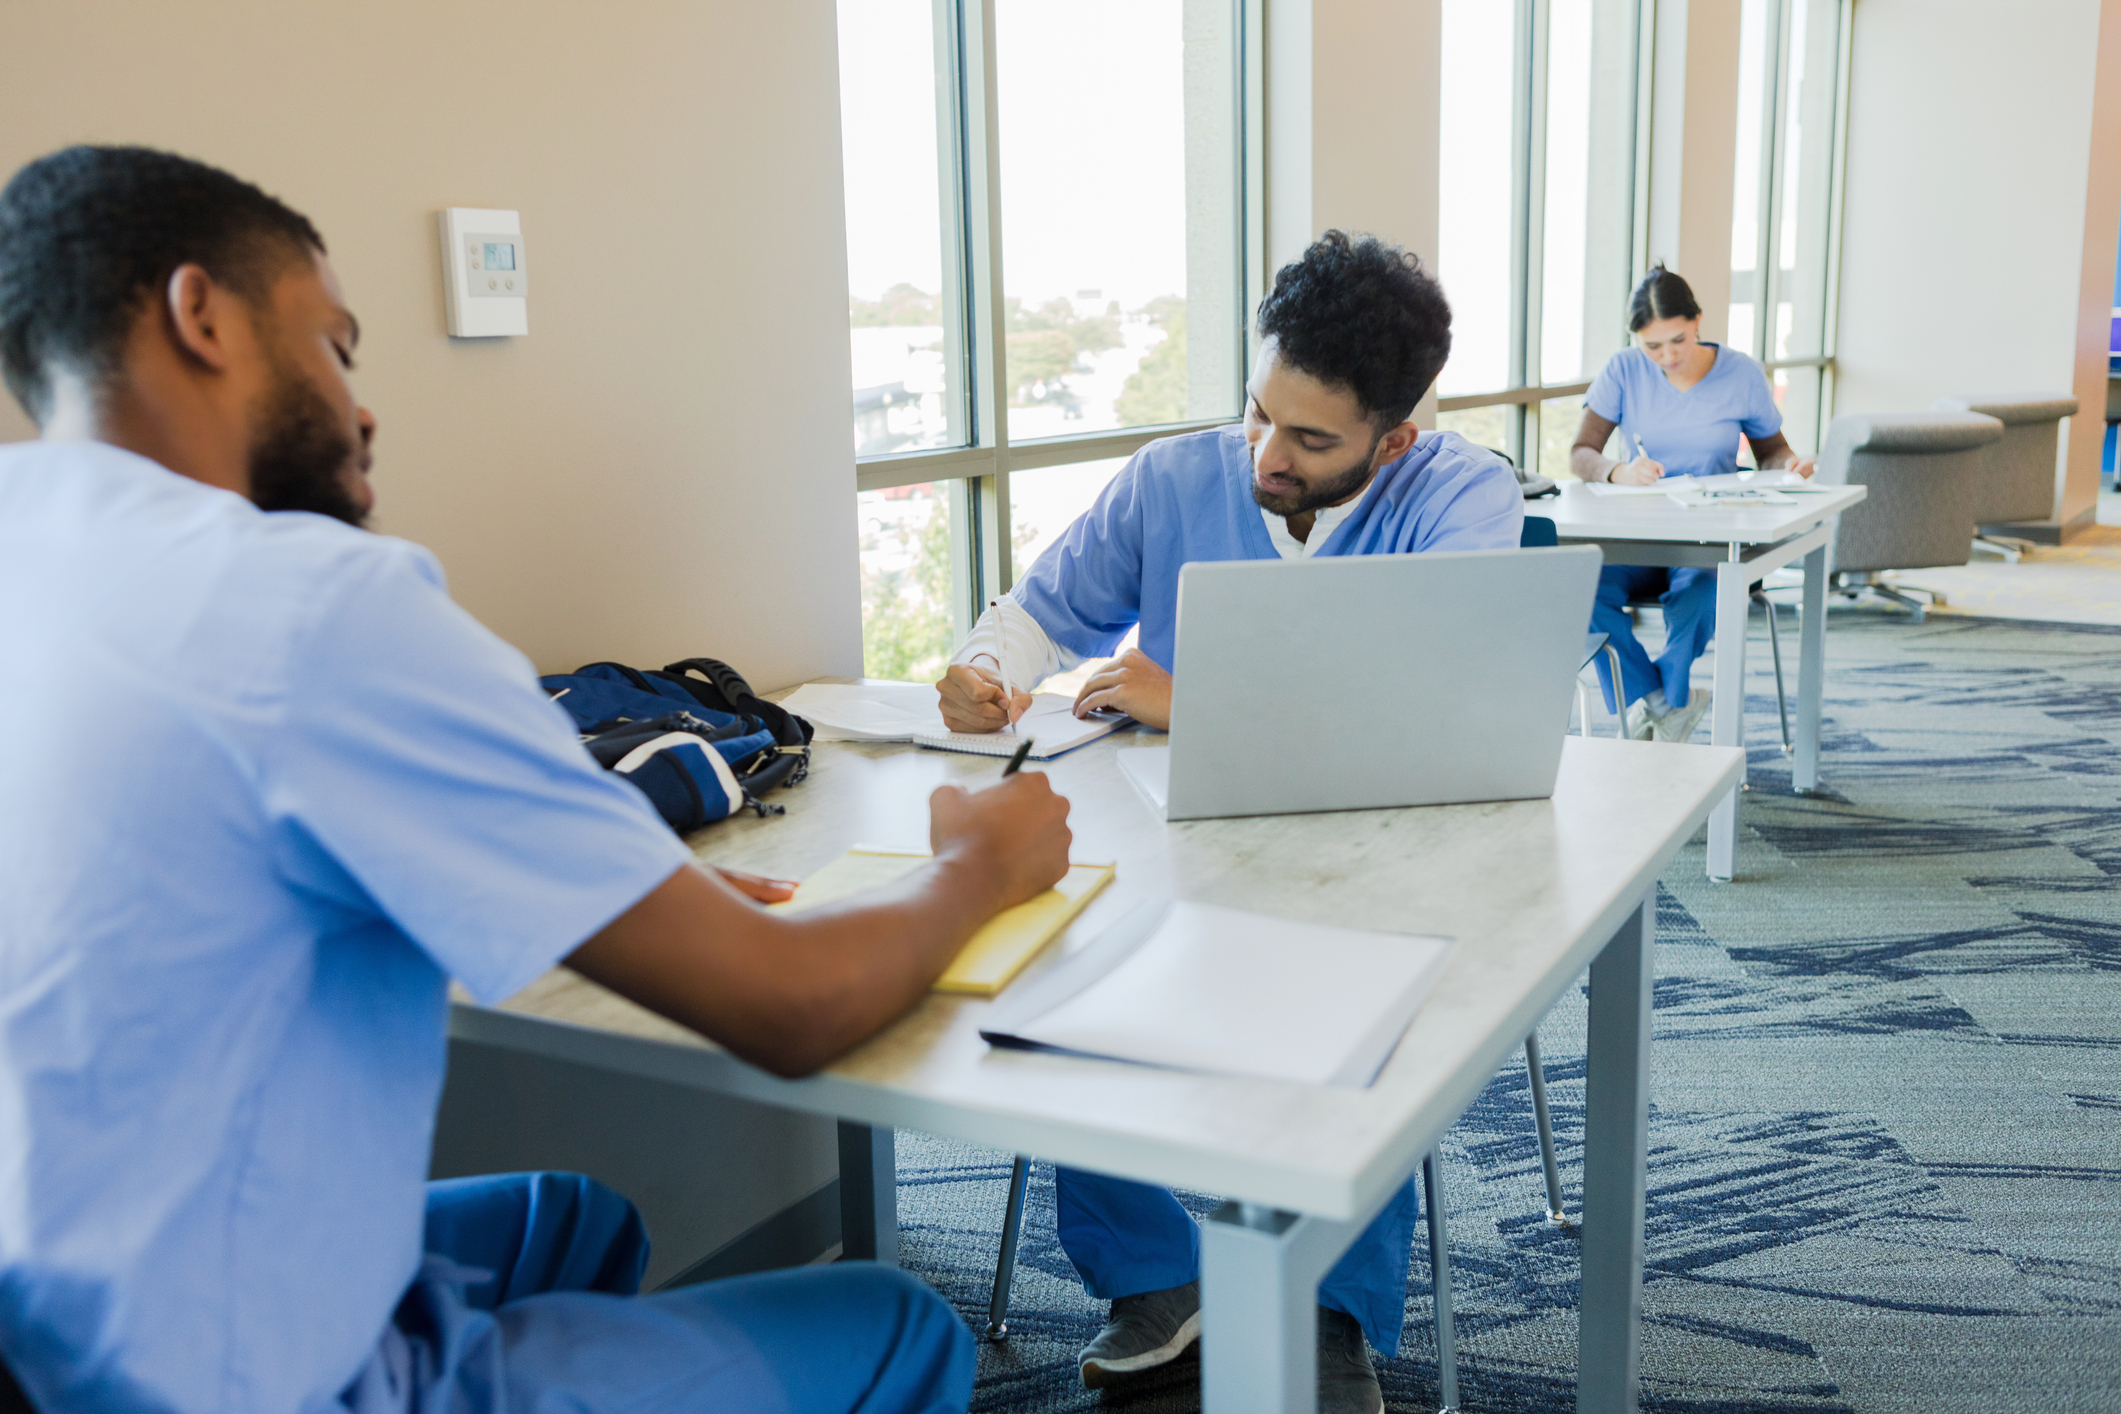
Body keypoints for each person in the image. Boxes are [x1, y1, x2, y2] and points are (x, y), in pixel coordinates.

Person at [0, 145, 1077, 1414]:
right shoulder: (311, 605)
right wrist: (978, 864)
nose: (363, 407)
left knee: (569, 1221)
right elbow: (788, 1009)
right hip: (235, 1384)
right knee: (896, 1324)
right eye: (336, 346)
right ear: (203, 315)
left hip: (52, 1325)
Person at [933, 231, 1524, 1414]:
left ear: (1392, 438)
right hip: (1176, 847)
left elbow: (1435, 702)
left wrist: (1184, 695)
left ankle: (1325, 1304)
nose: (1266, 454)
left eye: (1310, 440)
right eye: (1259, 415)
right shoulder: (1171, 479)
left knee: (1383, 999)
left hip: (1374, 867)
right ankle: (1158, 1275)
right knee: (1061, 954)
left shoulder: (1463, 496)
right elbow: (1040, 611)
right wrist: (984, 666)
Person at [1569, 264, 1816, 742]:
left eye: (1677, 340)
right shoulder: (1623, 370)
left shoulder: (1740, 372)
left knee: (1705, 590)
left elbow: (1772, 452)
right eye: (1652, 346)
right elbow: (1583, 453)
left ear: (1698, 320)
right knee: (1581, 590)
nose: (1667, 356)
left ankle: (1667, 702)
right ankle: (1666, 703)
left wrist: (1789, 467)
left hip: (1708, 539)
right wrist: (1618, 471)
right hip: (1636, 537)